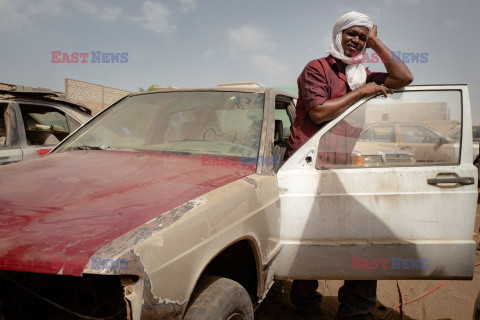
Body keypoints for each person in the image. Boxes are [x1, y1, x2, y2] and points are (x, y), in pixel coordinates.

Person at [285, 11, 413, 320]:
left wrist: (376, 41)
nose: (355, 40)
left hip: (343, 168)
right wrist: (364, 92)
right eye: (350, 33)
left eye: (362, 36)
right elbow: (318, 113)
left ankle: (356, 311)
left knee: (361, 238)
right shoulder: (317, 68)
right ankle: (306, 307)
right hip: (308, 166)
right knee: (309, 238)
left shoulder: (361, 74)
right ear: (338, 34)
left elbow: (404, 78)